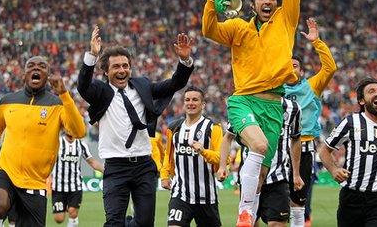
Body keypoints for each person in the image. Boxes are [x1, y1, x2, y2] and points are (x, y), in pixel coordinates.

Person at [203, 0, 300, 225]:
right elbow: (209, 30)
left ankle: (247, 213)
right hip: (244, 99)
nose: (267, 1)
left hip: (273, 106)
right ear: (253, 2)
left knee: (260, 177)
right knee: (258, 146)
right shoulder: (237, 28)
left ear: (278, 3)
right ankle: (244, 215)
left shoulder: (286, 21)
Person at [77, 26, 194, 227]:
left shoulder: (142, 85)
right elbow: (83, 87)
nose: (122, 70)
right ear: (105, 71)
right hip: (115, 167)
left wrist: (184, 61)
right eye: (116, 67)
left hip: (143, 165)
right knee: (114, 222)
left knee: (145, 223)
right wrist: (92, 56)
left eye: (125, 66)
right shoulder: (101, 91)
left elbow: (174, 84)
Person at [0, 56, 87, 227]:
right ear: (24, 73)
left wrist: (64, 95)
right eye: (31, 66)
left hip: (35, 181)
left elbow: (79, 131)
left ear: (48, 75)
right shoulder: (7, 101)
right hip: (5, 170)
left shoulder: (58, 104)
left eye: (42, 66)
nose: (36, 69)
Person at [319, 78, 377, 227]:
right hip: (351, 198)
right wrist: (333, 169)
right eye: (372, 91)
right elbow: (324, 150)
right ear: (362, 101)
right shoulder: (350, 122)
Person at [284, 17, 337, 227]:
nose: (291, 68)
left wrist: (317, 42)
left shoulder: (312, 86)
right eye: (287, 65)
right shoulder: (273, 89)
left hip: (305, 147)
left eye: (295, 65)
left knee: (298, 200)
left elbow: (330, 68)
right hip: (278, 148)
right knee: (274, 200)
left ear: (301, 71)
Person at [220, 98, 303, 227]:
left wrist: (296, 174)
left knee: (277, 224)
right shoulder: (245, 104)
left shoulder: (293, 108)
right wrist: (222, 166)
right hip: (251, 179)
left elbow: (296, 138)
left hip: (278, 178)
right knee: (251, 223)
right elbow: (228, 137)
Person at [160, 86, 222, 227]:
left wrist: (203, 151)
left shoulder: (213, 128)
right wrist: (164, 175)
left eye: (195, 100)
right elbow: (168, 155)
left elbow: (221, 158)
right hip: (180, 194)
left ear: (203, 104)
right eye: (187, 100)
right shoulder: (174, 128)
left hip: (206, 196)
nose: (191, 103)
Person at [50, 133, 104, 227]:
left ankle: (72, 217)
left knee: (72, 212)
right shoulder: (57, 142)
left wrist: (107, 171)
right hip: (58, 186)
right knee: (59, 219)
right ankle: (67, 209)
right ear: (65, 129)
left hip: (75, 185)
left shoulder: (81, 144)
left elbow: (92, 162)